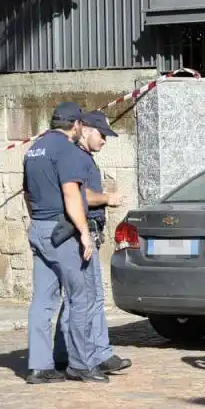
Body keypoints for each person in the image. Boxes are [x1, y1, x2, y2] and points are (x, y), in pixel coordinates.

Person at [23, 102, 104, 384]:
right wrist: (83, 232)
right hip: (63, 232)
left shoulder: (34, 149)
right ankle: (81, 365)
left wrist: (37, 222)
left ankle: (39, 366)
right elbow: (72, 195)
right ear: (77, 125)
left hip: (40, 228)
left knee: (43, 299)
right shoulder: (67, 151)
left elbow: (27, 193)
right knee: (80, 297)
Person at [53, 110, 132, 376]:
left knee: (84, 297)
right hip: (81, 232)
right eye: (102, 135)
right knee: (87, 297)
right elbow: (79, 194)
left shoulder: (82, 157)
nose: (104, 141)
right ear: (84, 129)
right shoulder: (76, 158)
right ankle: (88, 354)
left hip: (88, 231)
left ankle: (83, 352)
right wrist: (107, 198)